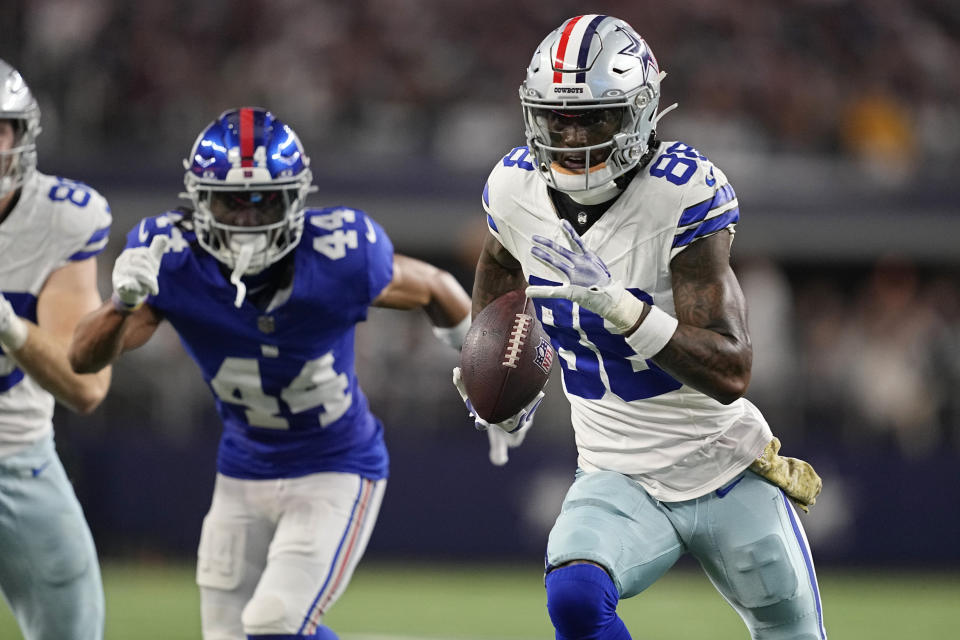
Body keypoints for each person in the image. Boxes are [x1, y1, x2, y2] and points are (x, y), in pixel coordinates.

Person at [456, 15, 826, 640]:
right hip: (614, 468)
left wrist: (622, 308)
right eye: (556, 117)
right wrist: (490, 361)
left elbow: (731, 371)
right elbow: (497, 261)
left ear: (640, 114)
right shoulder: (514, 189)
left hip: (721, 466)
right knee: (575, 598)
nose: (570, 136)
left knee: (789, 631)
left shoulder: (678, 195)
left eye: (593, 117)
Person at [68, 107, 472, 640]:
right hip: (241, 471)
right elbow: (82, 358)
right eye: (231, 202)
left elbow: (437, 286)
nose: (247, 220)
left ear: (296, 198)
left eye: (265, 201)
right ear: (199, 200)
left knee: (274, 624)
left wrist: (476, 367)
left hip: (335, 466)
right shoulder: (171, 258)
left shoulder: (340, 255)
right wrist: (121, 303)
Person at [0, 59, 112, 639]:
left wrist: (8, 326)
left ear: (21, 137)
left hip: (15, 458)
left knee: (74, 629)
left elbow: (86, 386)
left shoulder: (60, 216)